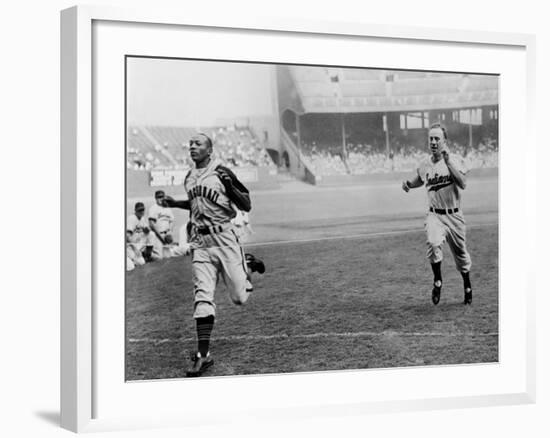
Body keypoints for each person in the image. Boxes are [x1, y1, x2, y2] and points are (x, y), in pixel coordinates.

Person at [165, 133, 266, 377]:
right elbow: (197, 202)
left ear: (209, 150)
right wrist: (175, 204)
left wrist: (230, 187)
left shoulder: (222, 172)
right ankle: (203, 356)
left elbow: (246, 205)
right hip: (201, 242)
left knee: (240, 298)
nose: (192, 146)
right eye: (190, 143)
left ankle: (247, 264)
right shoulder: (189, 177)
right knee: (202, 298)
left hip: (225, 239)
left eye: (197, 143)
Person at [401, 123, 473, 305]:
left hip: (454, 215)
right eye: (430, 139)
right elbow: (420, 178)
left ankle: (467, 284)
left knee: (461, 255)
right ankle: (438, 281)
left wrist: (448, 162)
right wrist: (409, 184)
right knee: (433, 243)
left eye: (437, 139)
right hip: (435, 215)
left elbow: (463, 183)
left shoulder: (454, 159)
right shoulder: (425, 164)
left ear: (444, 141)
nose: (433, 142)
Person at [147, 190, 175, 260]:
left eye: (162, 197)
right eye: (159, 197)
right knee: (159, 257)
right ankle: (147, 254)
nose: (161, 199)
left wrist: (170, 232)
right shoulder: (153, 208)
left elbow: (171, 221)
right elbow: (152, 225)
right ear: (155, 198)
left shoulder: (167, 208)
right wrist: (161, 237)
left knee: (168, 257)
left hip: (166, 235)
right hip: (158, 235)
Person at [126, 202, 151, 271]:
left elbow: (147, 230)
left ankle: (147, 255)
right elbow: (127, 237)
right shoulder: (132, 219)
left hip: (136, 245)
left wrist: (147, 229)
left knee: (142, 263)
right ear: (135, 210)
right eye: (139, 210)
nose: (141, 212)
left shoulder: (142, 219)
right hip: (129, 246)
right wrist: (135, 249)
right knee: (130, 267)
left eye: (142, 210)